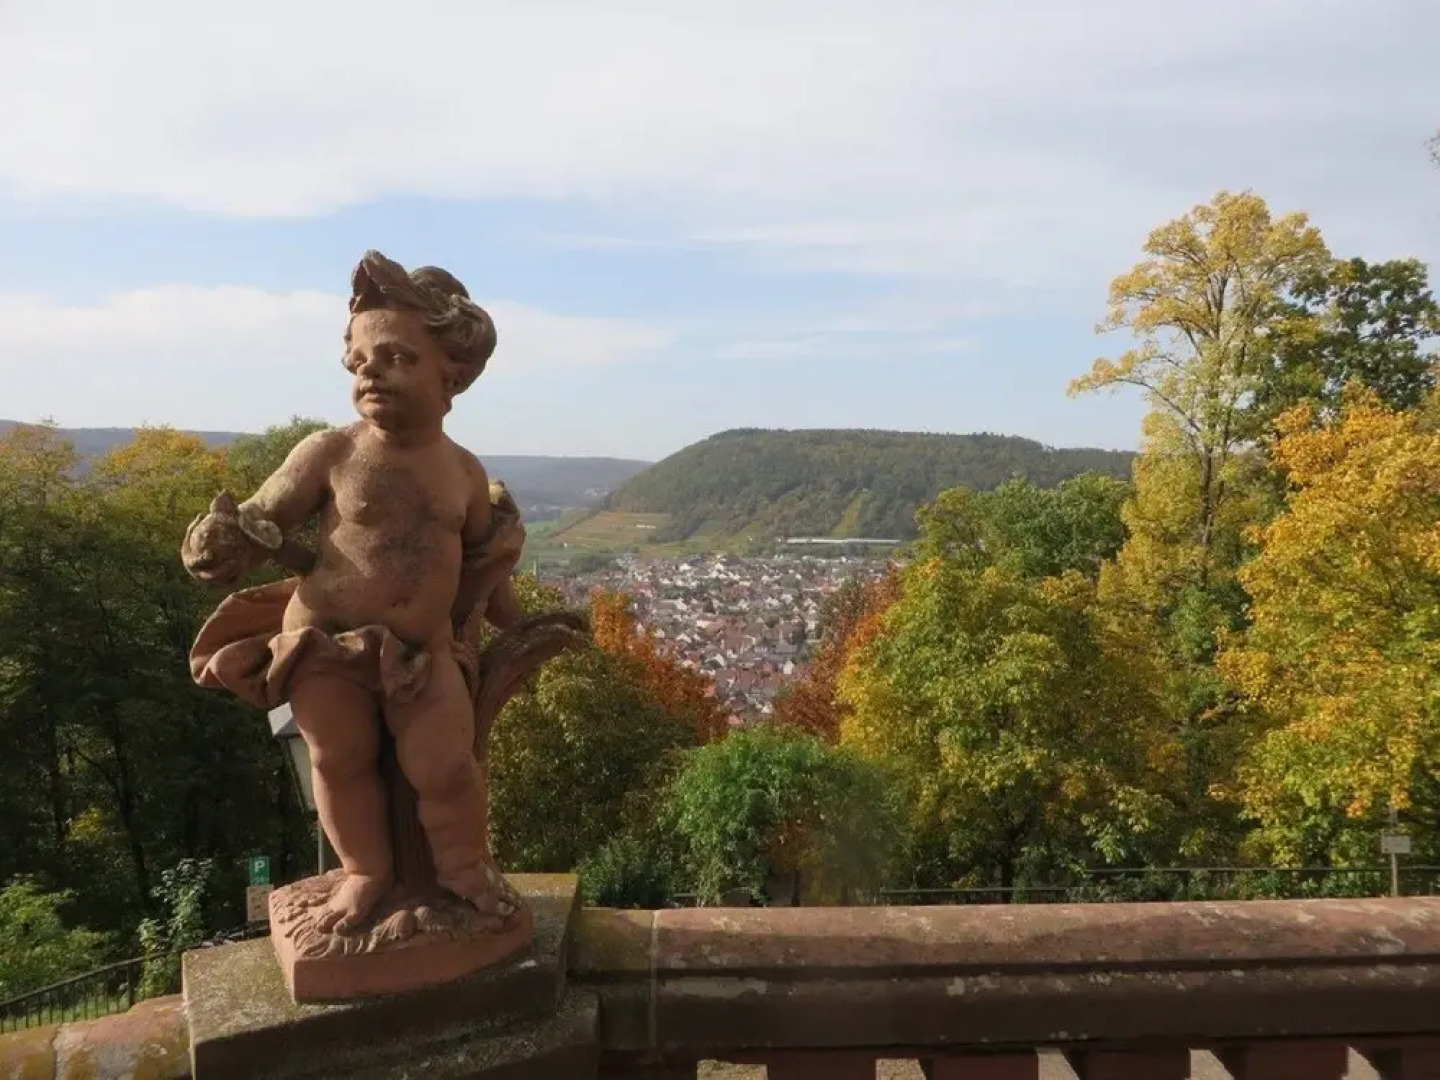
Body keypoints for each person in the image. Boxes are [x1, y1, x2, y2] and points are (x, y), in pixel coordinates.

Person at [182, 251, 524, 934]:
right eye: (361, 361)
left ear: (451, 375)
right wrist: (222, 540)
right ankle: (365, 871)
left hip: (423, 651)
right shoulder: (330, 451)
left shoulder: (462, 471)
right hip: (325, 644)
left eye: (397, 357)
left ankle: (462, 868)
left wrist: (517, 623)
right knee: (339, 762)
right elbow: (262, 514)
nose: (371, 371)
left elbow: (484, 562)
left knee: (446, 766)